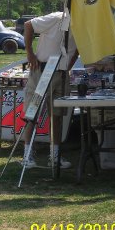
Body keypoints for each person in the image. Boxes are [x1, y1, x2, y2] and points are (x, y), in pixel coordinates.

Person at [21, 11, 79, 169]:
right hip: (43, 70)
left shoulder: (83, 22)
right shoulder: (57, 17)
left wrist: (68, 66)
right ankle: (27, 155)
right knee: (32, 113)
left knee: (57, 117)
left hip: (61, 73)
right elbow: (28, 25)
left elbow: (79, 47)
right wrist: (30, 54)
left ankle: (55, 155)